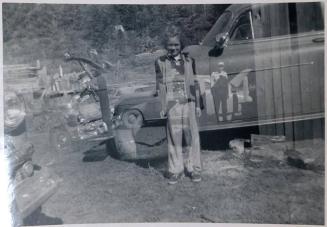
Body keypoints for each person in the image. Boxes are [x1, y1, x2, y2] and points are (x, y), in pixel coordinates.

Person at [155, 26, 202, 185]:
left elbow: (194, 83)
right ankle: (176, 170)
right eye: (170, 45)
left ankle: (194, 169)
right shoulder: (160, 62)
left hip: (188, 103)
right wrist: (162, 106)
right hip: (171, 104)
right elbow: (160, 86)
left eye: (176, 45)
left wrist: (197, 105)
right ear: (165, 45)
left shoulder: (190, 61)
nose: (173, 48)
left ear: (181, 45)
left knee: (191, 136)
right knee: (174, 137)